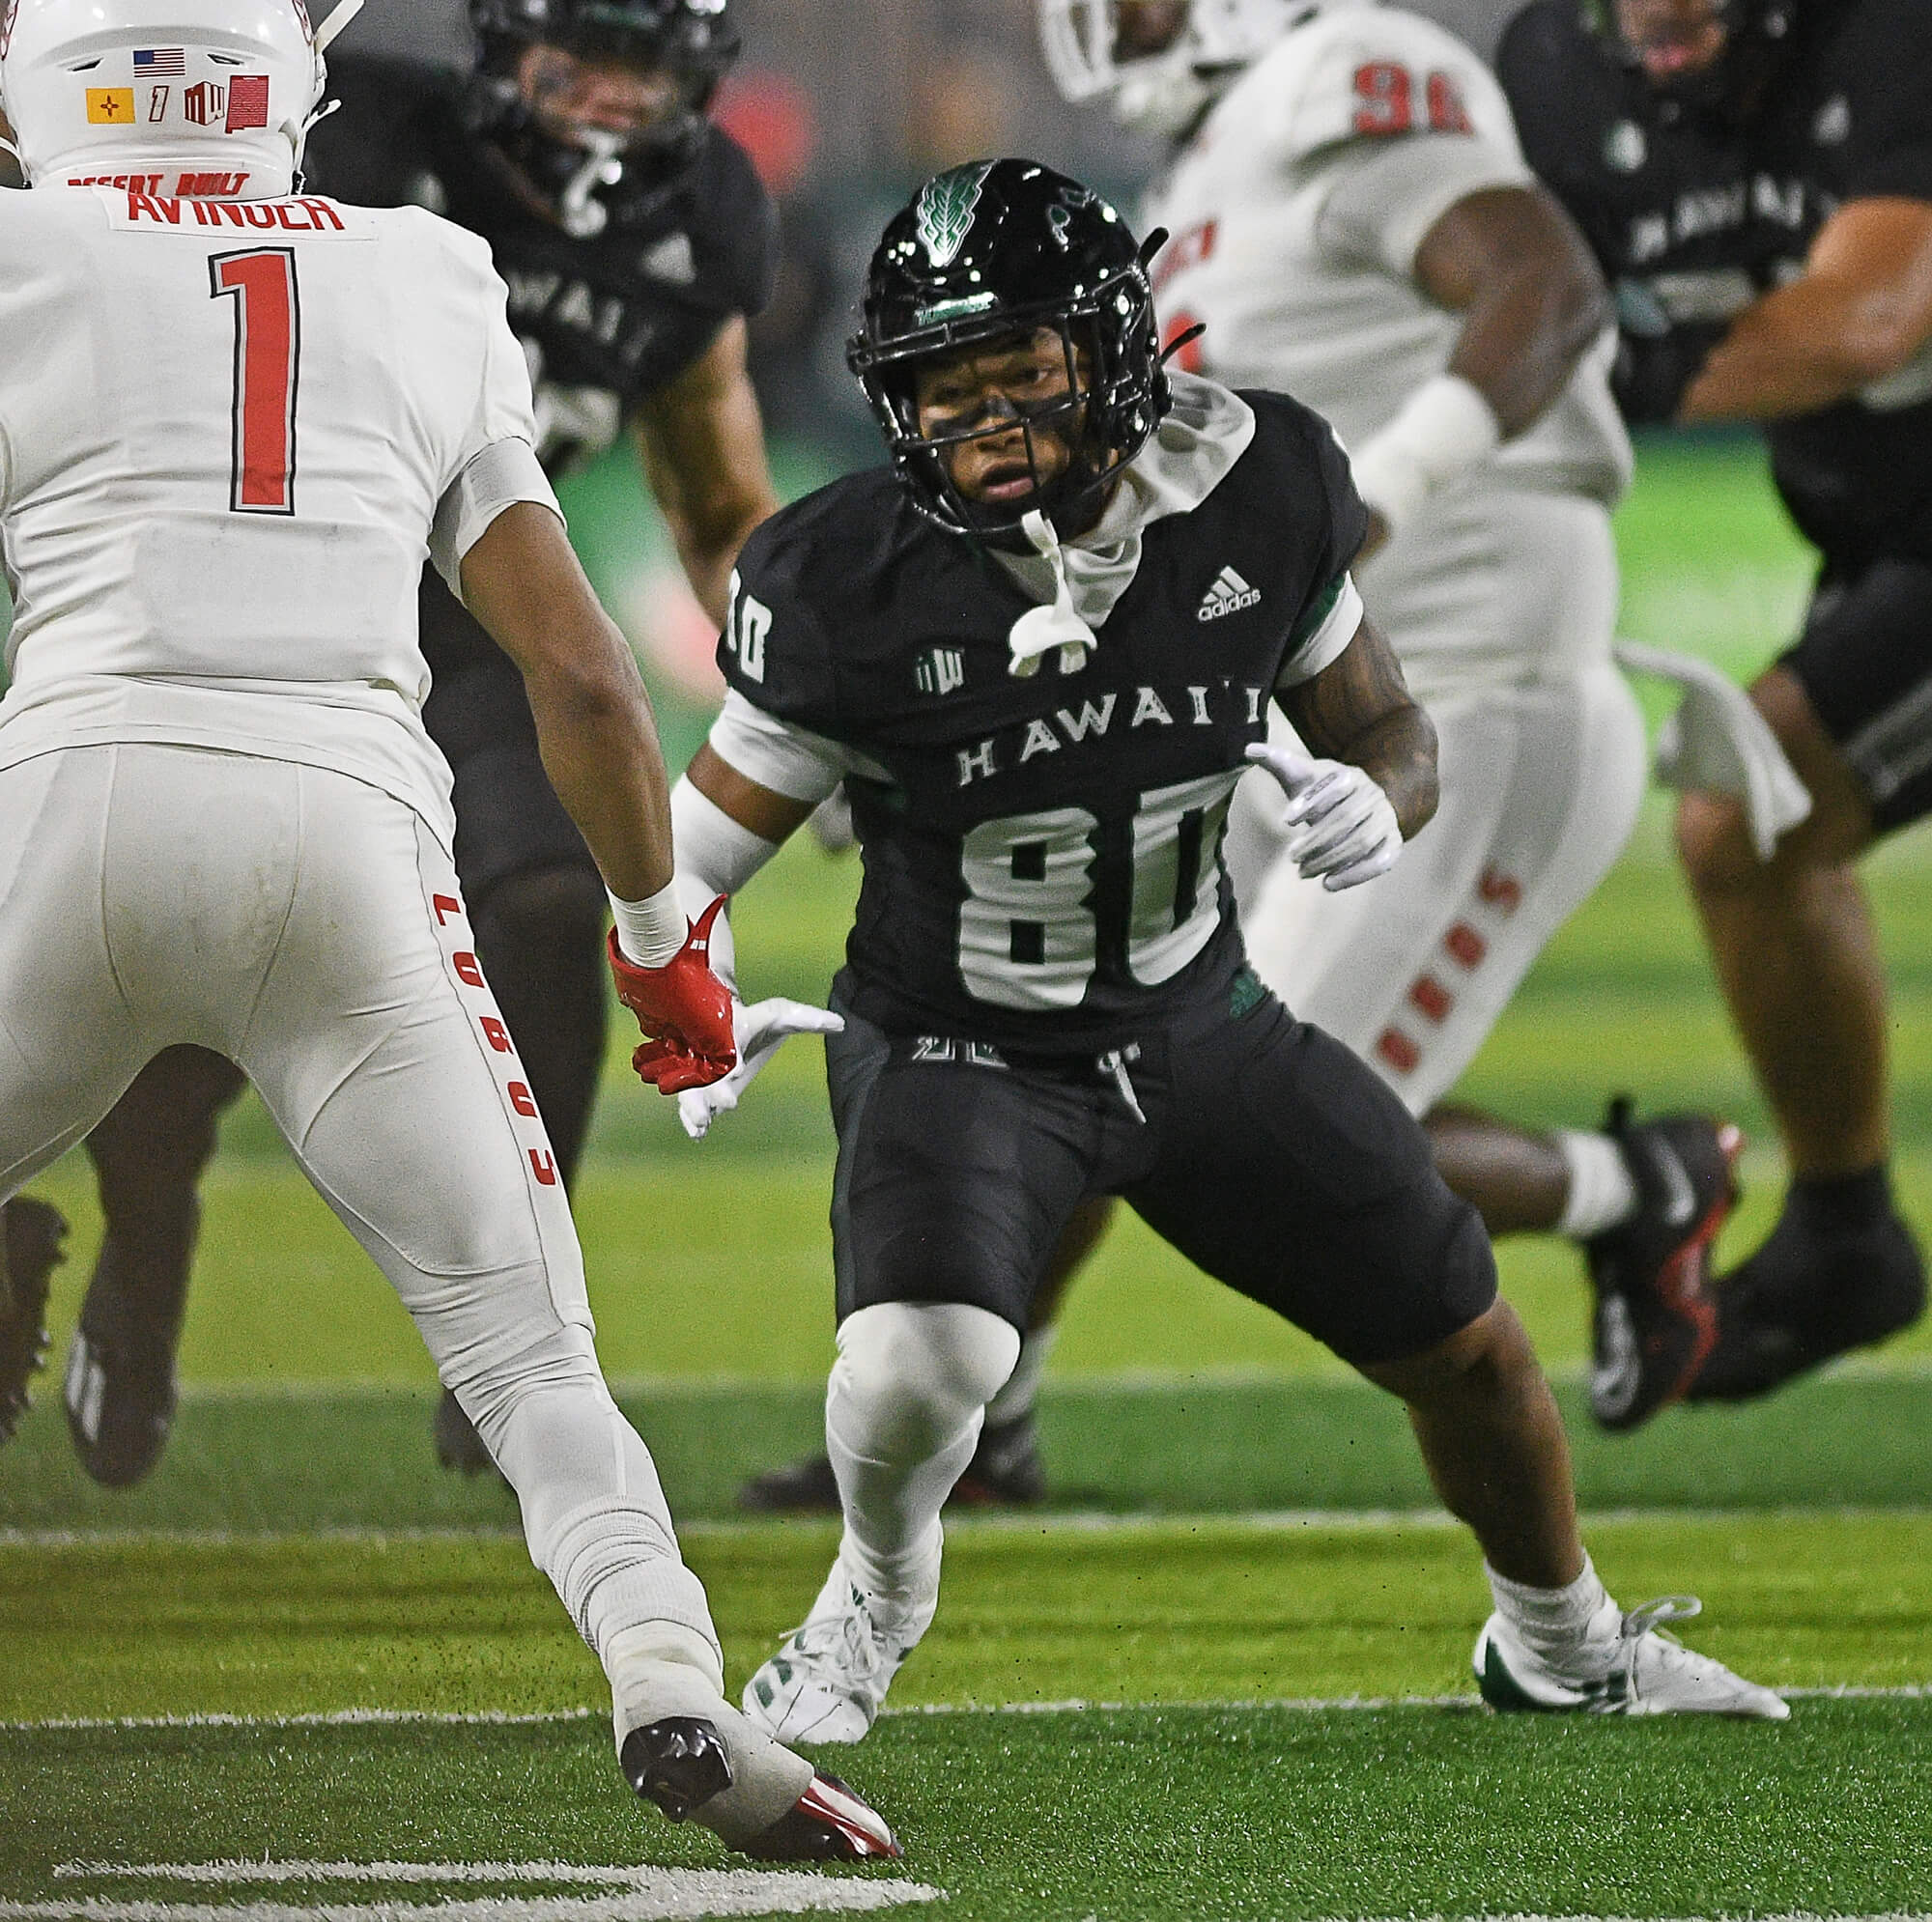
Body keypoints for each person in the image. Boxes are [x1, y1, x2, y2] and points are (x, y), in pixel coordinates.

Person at [668, 156, 1787, 1735]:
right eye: (943, 385)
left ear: (1113, 352)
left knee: (1466, 1336)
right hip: (961, 1043)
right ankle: (871, 1593)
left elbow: (1388, 722)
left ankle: (1562, 1638)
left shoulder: (1256, 487)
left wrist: (1379, 798)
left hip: (1200, 1022)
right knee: (923, 1364)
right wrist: (681, 972)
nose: (982, 421)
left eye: (1018, 370)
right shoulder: (844, 582)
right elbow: (687, 854)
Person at [0, 0, 895, 1863]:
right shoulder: (422, 266)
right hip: (347, 832)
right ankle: (667, 1676)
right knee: (531, 1364)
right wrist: (662, 937)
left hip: (72, 803)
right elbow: (584, 671)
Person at [46, 0, 785, 1490]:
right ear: (501, 50)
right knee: (188, 990)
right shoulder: (351, 127)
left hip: (492, 593)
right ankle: (144, 1237)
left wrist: (809, 684)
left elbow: (717, 502)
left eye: (641, 72)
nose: (604, 103)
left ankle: (513, 1330)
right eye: (576, 61)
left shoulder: (703, 214)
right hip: (271, 574)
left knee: (545, 900)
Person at [1495, 0, 1931, 1408]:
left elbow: (1873, 317)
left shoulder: (1893, 39)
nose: (1651, 10)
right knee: (1752, 825)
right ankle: (1847, 1239)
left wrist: (1584, 376)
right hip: (1885, 530)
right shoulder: (1555, 71)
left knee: (1749, 811)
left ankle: (1849, 1241)